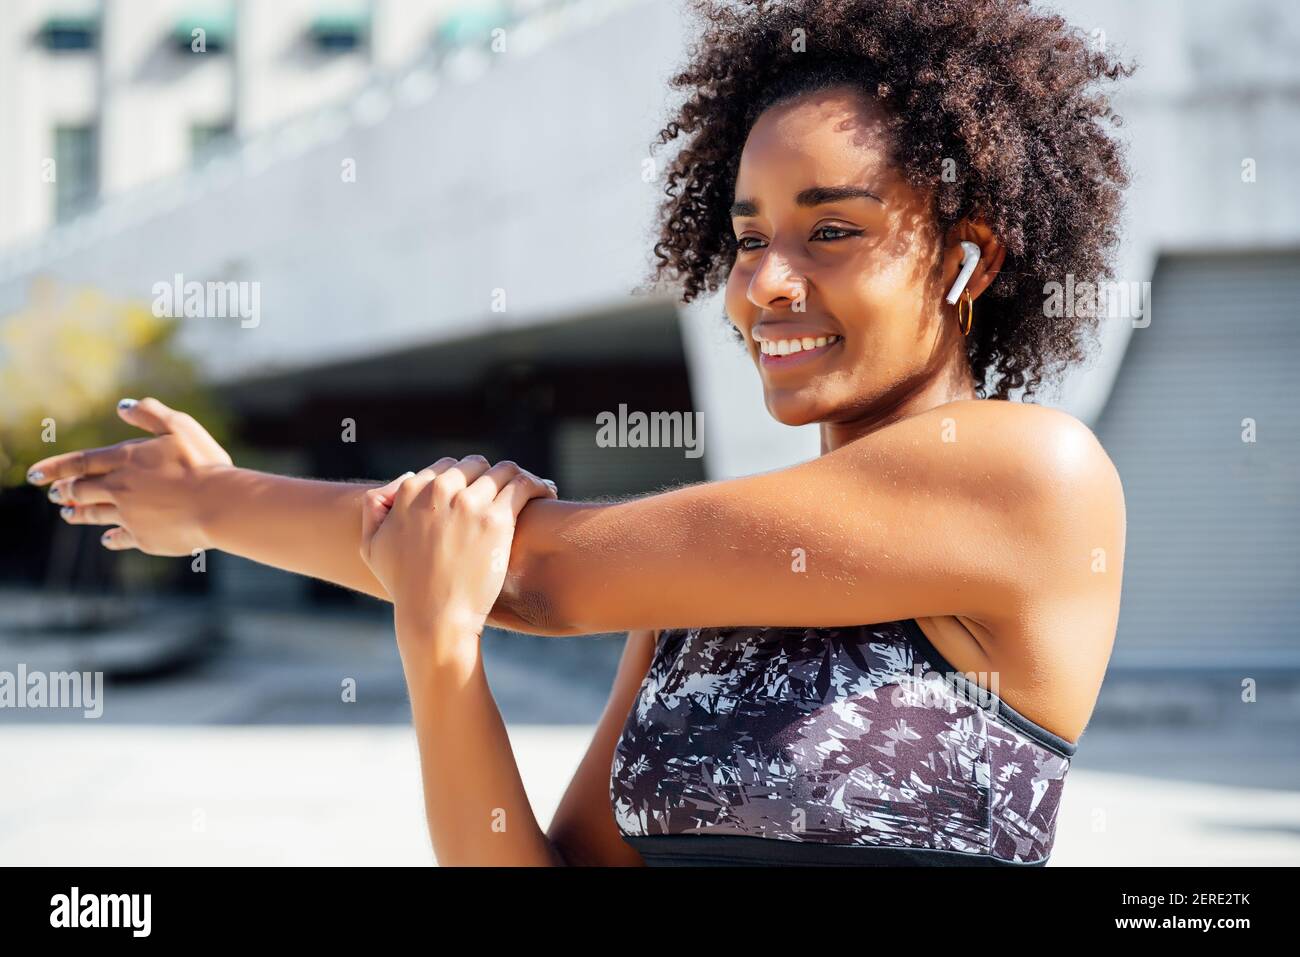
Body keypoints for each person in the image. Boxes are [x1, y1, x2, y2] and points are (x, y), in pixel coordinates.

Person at [27, 0, 1132, 866]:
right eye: (747, 240)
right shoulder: (690, 607)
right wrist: (440, 651)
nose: (765, 285)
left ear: (964, 259)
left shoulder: (1027, 476)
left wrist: (216, 504)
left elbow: (537, 575)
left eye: (831, 231)